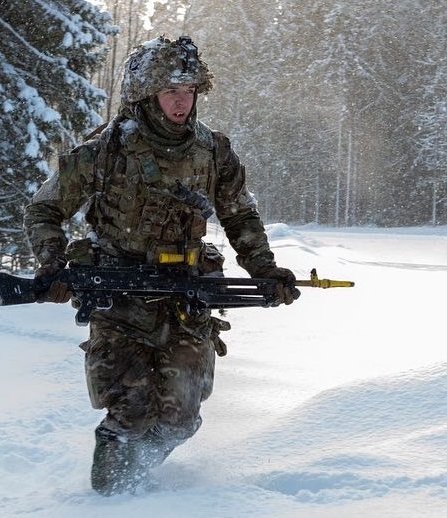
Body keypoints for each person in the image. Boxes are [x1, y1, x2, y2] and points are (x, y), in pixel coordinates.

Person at [23, 35, 300, 495]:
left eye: (189, 91)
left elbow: (239, 214)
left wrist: (265, 270)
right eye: (170, 90)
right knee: (130, 410)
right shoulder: (105, 151)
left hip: (185, 298)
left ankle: (141, 481)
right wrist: (52, 263)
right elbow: (43, 209)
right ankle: (108, 499)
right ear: (147, 93)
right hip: (119, 296)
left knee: (180, 418)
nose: (180, 101)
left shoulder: (213, 151)